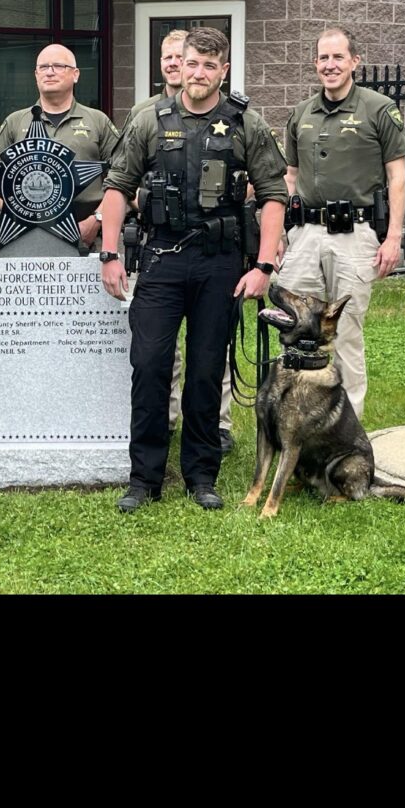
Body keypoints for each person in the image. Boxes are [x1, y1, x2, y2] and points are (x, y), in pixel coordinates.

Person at [100, 26, 287, 513]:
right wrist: (110, 253)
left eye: (210, 65)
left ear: (223, 70)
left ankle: (201, 476)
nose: (199, 72)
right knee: (149, 366)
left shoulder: (246, 123)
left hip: (219, 263)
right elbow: (118, 187)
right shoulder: (149, 119)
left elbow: (273, 195)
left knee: (206, 372)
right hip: (161, 259)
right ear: (177, 66)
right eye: (192, 63)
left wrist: (264, 264)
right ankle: (144, 479)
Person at [281, 26, 405, 419]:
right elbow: (289, 175)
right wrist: (287, 233)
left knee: (347, 334)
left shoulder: (379, 109)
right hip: (305, 236)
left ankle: (348, 435)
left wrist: (393, 238)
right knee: (296, 330)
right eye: (323, 58)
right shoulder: (301, 113)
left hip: (354, 236)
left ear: (355, 61)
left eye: (338, 57)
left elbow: (398, 177)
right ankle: (296, 424)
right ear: (315, 63)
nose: (330, 65)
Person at [0, 48, 121, 247]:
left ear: (75, 74)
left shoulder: (97, 121)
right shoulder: (15, 122)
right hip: (25, 240)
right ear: (36, 75)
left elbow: (122, 179)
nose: (49, 72)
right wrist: (17, 214)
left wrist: (97, 220)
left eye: (58, 66)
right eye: (43, 67)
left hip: (86, 234)